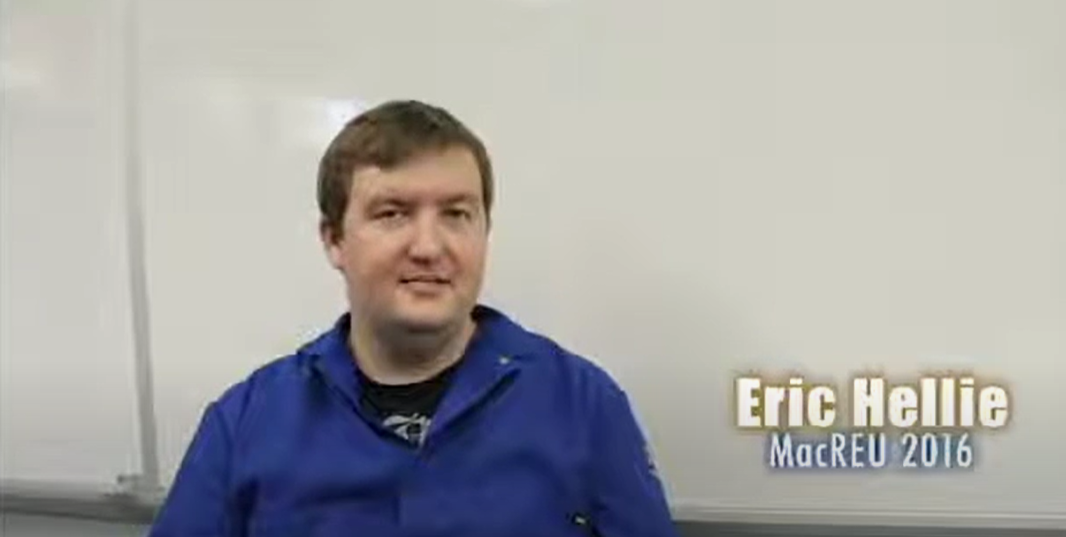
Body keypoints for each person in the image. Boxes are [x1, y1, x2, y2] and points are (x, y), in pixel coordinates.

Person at [147, 99, 680, 537]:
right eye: (393, 213)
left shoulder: (583, 407)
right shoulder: (246, 424)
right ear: (334, 240)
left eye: (456, 214)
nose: (428, 247)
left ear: (484, 232)